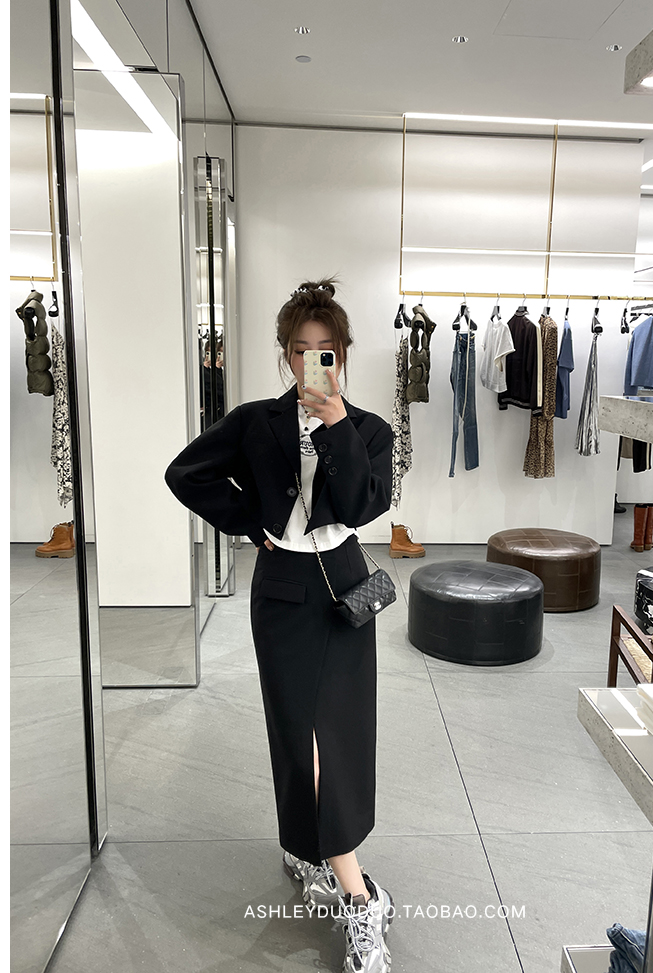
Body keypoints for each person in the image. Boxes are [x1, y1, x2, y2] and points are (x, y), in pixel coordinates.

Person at [164, 279, 396, 973]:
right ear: (285, 355)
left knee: (338, 737)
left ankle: (344, 880)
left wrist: (336, 425)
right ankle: (339, 873)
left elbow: (361, 506)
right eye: (300, 349)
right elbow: (185, 473)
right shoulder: (253, 421)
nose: (312, 361)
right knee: (298, 734)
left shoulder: (370, 430)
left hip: (344, 588)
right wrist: (249, 522)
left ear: (342, 355)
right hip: (284, 593)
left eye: (325, 350)